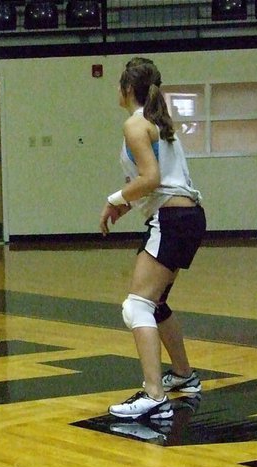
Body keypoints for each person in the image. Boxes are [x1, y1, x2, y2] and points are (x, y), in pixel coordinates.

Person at [100, 57, 206, 420]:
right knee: (156, 303)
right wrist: (125, 207)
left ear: (127, 89)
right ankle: (183, 375)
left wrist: (115, 199)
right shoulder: (160, 121)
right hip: (187, 215)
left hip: (173, 219)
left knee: (137, 306)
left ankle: (154, 395)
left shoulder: (135, 124)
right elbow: (160, 184)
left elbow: (151, 177)